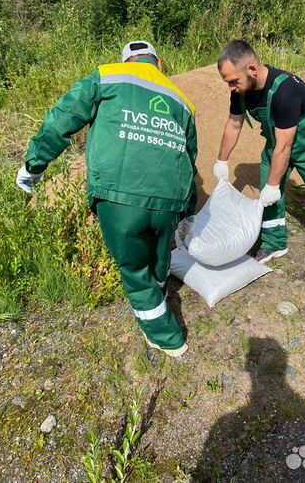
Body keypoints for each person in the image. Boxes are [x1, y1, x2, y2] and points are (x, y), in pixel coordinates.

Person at [17, 40, 198, 356]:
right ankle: (159, 295)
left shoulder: (107, 76)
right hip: (169, 198)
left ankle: (169, 339)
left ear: (127, 61)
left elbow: (64, 118)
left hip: (119, 195)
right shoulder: (181, 100)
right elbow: (190, 158)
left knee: (135, 272)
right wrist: (188, 207)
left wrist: (35, 164)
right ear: (158, 65)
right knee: (158, 262)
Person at [213, 40, 305, 271]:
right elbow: (234, 124)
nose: (231, 88)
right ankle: (275, 243)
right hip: (278, 141)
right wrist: (222, 160)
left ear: (252, 69)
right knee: (268, 194)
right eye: (228, 83)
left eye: (234, 81)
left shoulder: (285, 90)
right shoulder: (241, 90)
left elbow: (286, 145)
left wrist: (275, 184)